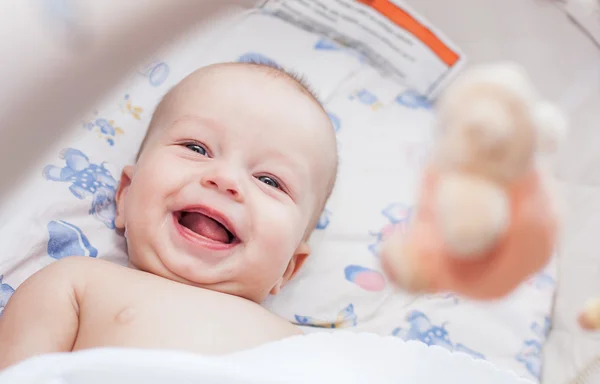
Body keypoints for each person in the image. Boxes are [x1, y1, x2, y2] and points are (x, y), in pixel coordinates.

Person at [0, 61, 338, 369]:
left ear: (289, 267)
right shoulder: (78, 284)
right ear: (126, 194)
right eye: (196, 148)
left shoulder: (311, 348)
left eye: (269, 181)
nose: (226, 180)